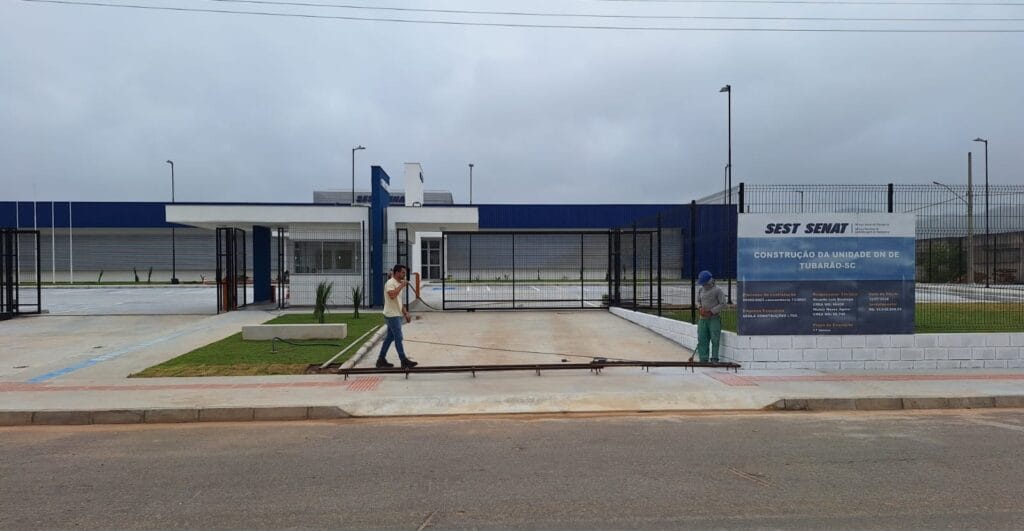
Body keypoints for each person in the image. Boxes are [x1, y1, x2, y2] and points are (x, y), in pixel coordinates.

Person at [376, 264, 418, 369]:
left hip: (396, 314)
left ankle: (381, 360)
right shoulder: (390, 283)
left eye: (405, 273)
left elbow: (399, 301)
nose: (404, 275)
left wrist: (406, 313)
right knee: (398, 338)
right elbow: (392, 295)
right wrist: (402, 286)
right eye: (403, 272)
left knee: (389, 338)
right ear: (397, 272)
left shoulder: (397, 283)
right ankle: (403, 360)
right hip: (392, 315)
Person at [693, 270, 727, 363]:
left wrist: (712, 311)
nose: (704, 285)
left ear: (709, 281)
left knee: (715, 339)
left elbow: (723, 304)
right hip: (703, 319)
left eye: (705, 283)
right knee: (702, 338)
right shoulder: (701, 290)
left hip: (714, 319)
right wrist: (700, 308)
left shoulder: (717, 290)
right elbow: (698, 301)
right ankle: (703, 358)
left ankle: (714, 358)